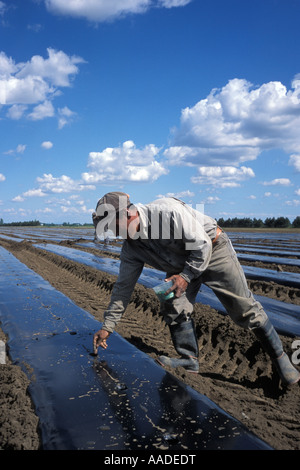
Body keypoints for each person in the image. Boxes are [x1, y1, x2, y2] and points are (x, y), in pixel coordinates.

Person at [93, 191, 300, 386]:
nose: (115, 233)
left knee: (243, 308)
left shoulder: (165, 212)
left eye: (113, 226)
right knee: (169, 300)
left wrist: (186, 277)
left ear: (128, 213)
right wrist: (108, 326)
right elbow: (123, 287)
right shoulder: (131, 248)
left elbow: (202, 245)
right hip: (180, 266)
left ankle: (280, 357)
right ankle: (189, 359)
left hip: (213, 249)